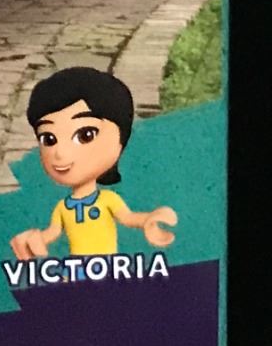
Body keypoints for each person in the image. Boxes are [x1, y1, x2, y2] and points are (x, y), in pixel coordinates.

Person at [9, 67, 177, 259]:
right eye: (48, 139)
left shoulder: (108, 200)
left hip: (107, 267)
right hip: (77, 269)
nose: (60, 153)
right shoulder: (63, 208)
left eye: (86, 135)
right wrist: (34, 239)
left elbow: (128, 218)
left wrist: (148, 220)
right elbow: (52, 233)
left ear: (120, 140)